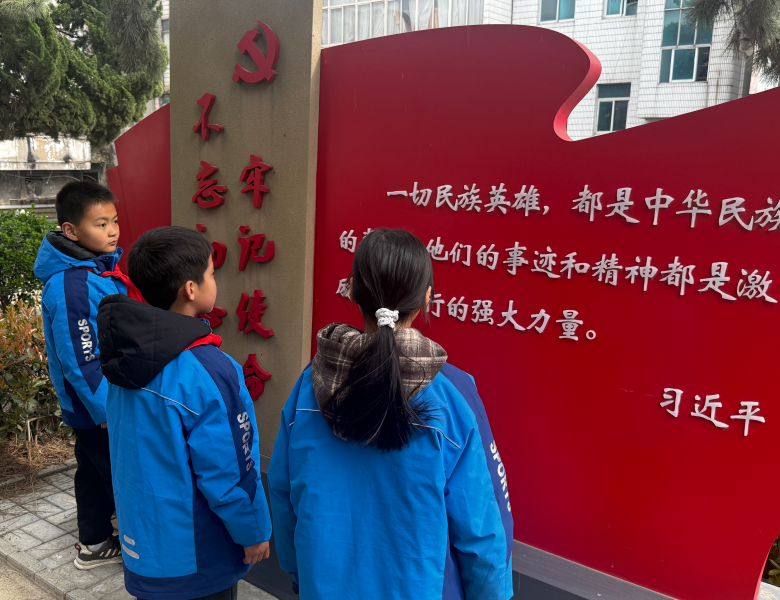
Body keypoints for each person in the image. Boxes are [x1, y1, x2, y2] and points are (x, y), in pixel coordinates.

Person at [268, 228, 514, 600]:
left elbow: (282, 489)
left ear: (352, 290)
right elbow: (483, 526)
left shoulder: (309, 385)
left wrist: (300, 572)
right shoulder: (454, 395)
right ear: (427, 297)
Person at [97, 226, 272, 600]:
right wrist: (253, 531)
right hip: (197, 555)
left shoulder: (125, 358)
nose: (214, 281)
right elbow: (229, 468)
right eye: (211, 273)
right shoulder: (208, 369)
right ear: (190, 289)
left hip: (145, 544)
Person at [33, 181, 141, 569]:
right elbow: (80, 359)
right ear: (71, 231)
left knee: (94, 471)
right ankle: (140, 548)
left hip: (100, 403)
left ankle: (94, 541)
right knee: (121, 475)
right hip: (98, 406)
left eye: (114, 221)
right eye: (101, 224)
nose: (112, 231)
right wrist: (106, 412)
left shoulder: (95, 270)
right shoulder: (72, 283)